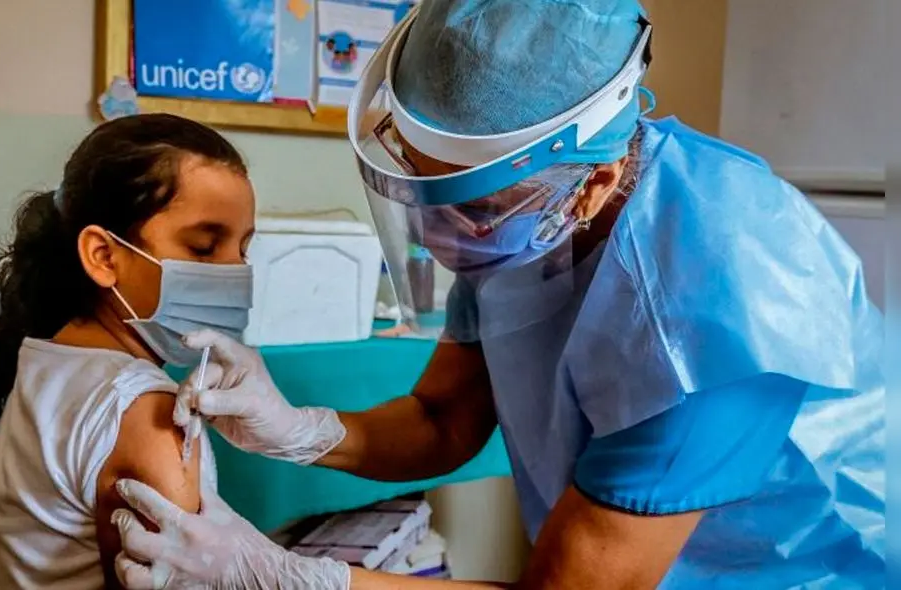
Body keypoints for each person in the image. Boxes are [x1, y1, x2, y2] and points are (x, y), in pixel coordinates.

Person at [109, 0, 885, 588]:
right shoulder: (524, 222)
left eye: (473, 205)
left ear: (599, 178)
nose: (439, 235)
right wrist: (300, 429)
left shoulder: (718, 307)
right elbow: (443, 419)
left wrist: (284, 575)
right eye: (424, 193)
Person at [0, 113, 265, 589]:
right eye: (204, 248)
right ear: (103, 256)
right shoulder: (148, 415)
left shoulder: (48, 352)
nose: (234, 274)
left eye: (243, 249)